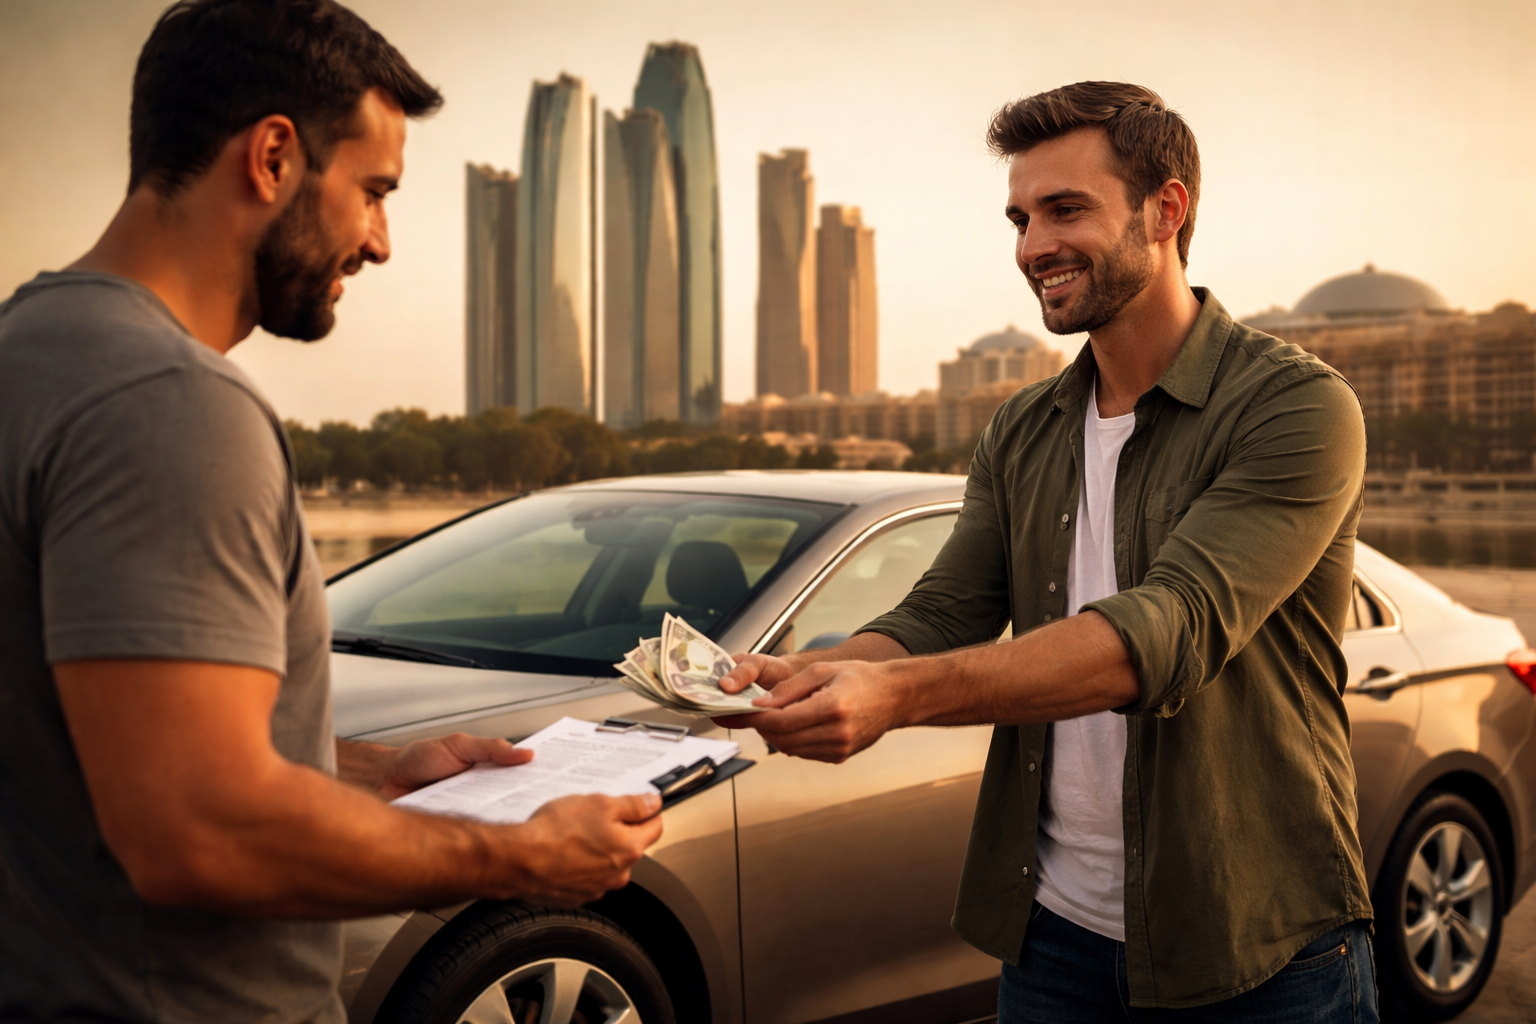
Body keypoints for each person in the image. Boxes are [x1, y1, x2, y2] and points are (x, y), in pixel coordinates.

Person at [0, 2, 662, 1021]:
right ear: (272, 157)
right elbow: (197, 830)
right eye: (374, 191)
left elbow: (108, 744)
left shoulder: (29, 351)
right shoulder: (171, 407)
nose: (380, 243)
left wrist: (372, 774)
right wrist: (518, 854)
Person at [719, 82, 1376, 1022]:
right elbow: (944, 610)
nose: (1032, 247)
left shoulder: (1296, 406)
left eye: (1066, 209)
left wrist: (897, 698)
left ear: (1167, 209)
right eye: (1021, 219)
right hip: (1054, 941)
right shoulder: (1022, 427)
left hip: (1260, 945)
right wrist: (819, 675)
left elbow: (1167, 629)